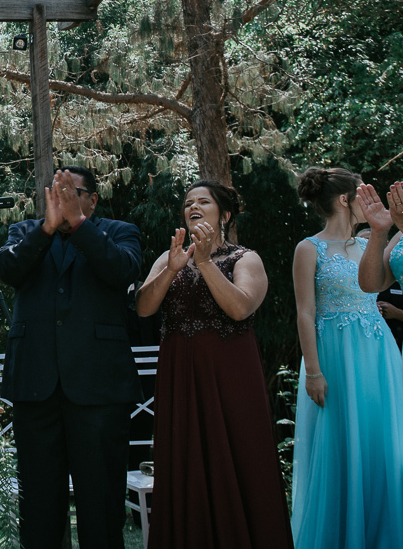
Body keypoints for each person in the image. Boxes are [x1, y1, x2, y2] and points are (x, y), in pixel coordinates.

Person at [135, 180, 292, 548]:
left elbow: (239, 308)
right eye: (188, 202)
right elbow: (144, 308)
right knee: (185, 464)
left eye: (203, 202)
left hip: (230, 377)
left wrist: (204, 263)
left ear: (224, 214)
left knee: (239, 460)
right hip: (180, 376)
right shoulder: (168, 256)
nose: (193, 207)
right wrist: (173, 269)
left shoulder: (245, 258)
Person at [0, 166, 142, 549]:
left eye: (71, 191)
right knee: (40, 507)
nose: (62, 197)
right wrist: (47, 228)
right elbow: (5, 269)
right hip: (36, 387)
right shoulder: (26, 232)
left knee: (102, 504)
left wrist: (77, 223)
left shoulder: (119, 232)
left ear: (91, 198)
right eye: (56, 191)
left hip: (99, 389)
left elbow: (121, 271)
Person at [290, 168, 403, 546]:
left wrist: (391, 228)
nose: (368, 200)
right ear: (346, 199)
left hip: (377, 354)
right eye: (362, 193)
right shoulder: (309, 248)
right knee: (341, 445)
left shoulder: (372, 241)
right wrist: (313, 371)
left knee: (380, 442)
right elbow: (305, 311)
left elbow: (384, 280)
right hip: (335, 359)